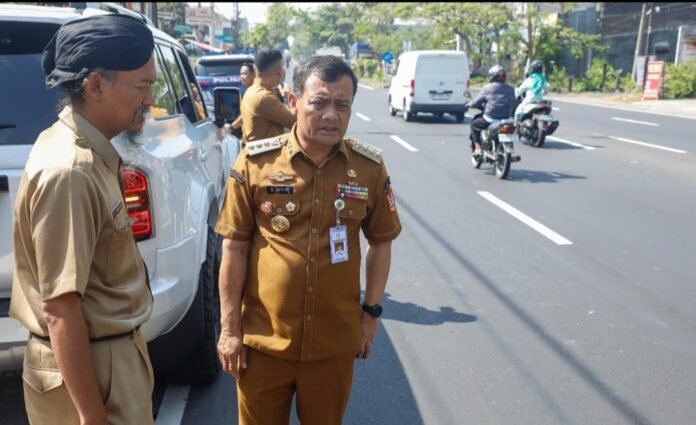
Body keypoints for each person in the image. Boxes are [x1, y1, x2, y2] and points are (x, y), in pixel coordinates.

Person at [215, 55, 402, 425]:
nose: (331, 115)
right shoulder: (256, 163)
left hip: (333, 347)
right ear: (294, 101)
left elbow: (381, 242)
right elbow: (234, 247)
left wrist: (371, 314)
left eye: (342, 105)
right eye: (319, 102)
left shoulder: (368, 168)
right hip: (264, 344)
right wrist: (230, 330)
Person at [10, 14, 156, 425]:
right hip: (94, 370)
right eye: (142, 86)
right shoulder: (72, 170)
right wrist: (92, 416)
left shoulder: (83, 148)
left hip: (107, 359)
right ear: (95, 85)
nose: (150, 100)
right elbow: (60, 308)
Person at [240, 48, 296, 143]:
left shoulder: (251, 91)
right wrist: (291, 98)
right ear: (279, 71)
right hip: (267, 152)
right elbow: (297, 122)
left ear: (255, 68)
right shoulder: (264, 97)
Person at [467, 65, 516, 155]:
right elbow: (514, 101)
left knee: (474, 125)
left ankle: (477, 148)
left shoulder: (487, 88)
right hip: (507, 118)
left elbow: (477, 102)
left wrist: (470, 104)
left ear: (491, 76)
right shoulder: (511, 88)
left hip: (491, 119)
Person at [231, 62, 256, 135]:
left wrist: (229, 128)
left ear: (253, 74)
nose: (242, 76)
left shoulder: (255, 92)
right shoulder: (243, 91)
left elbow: (245, 115)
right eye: (241, 74)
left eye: (245, 74)